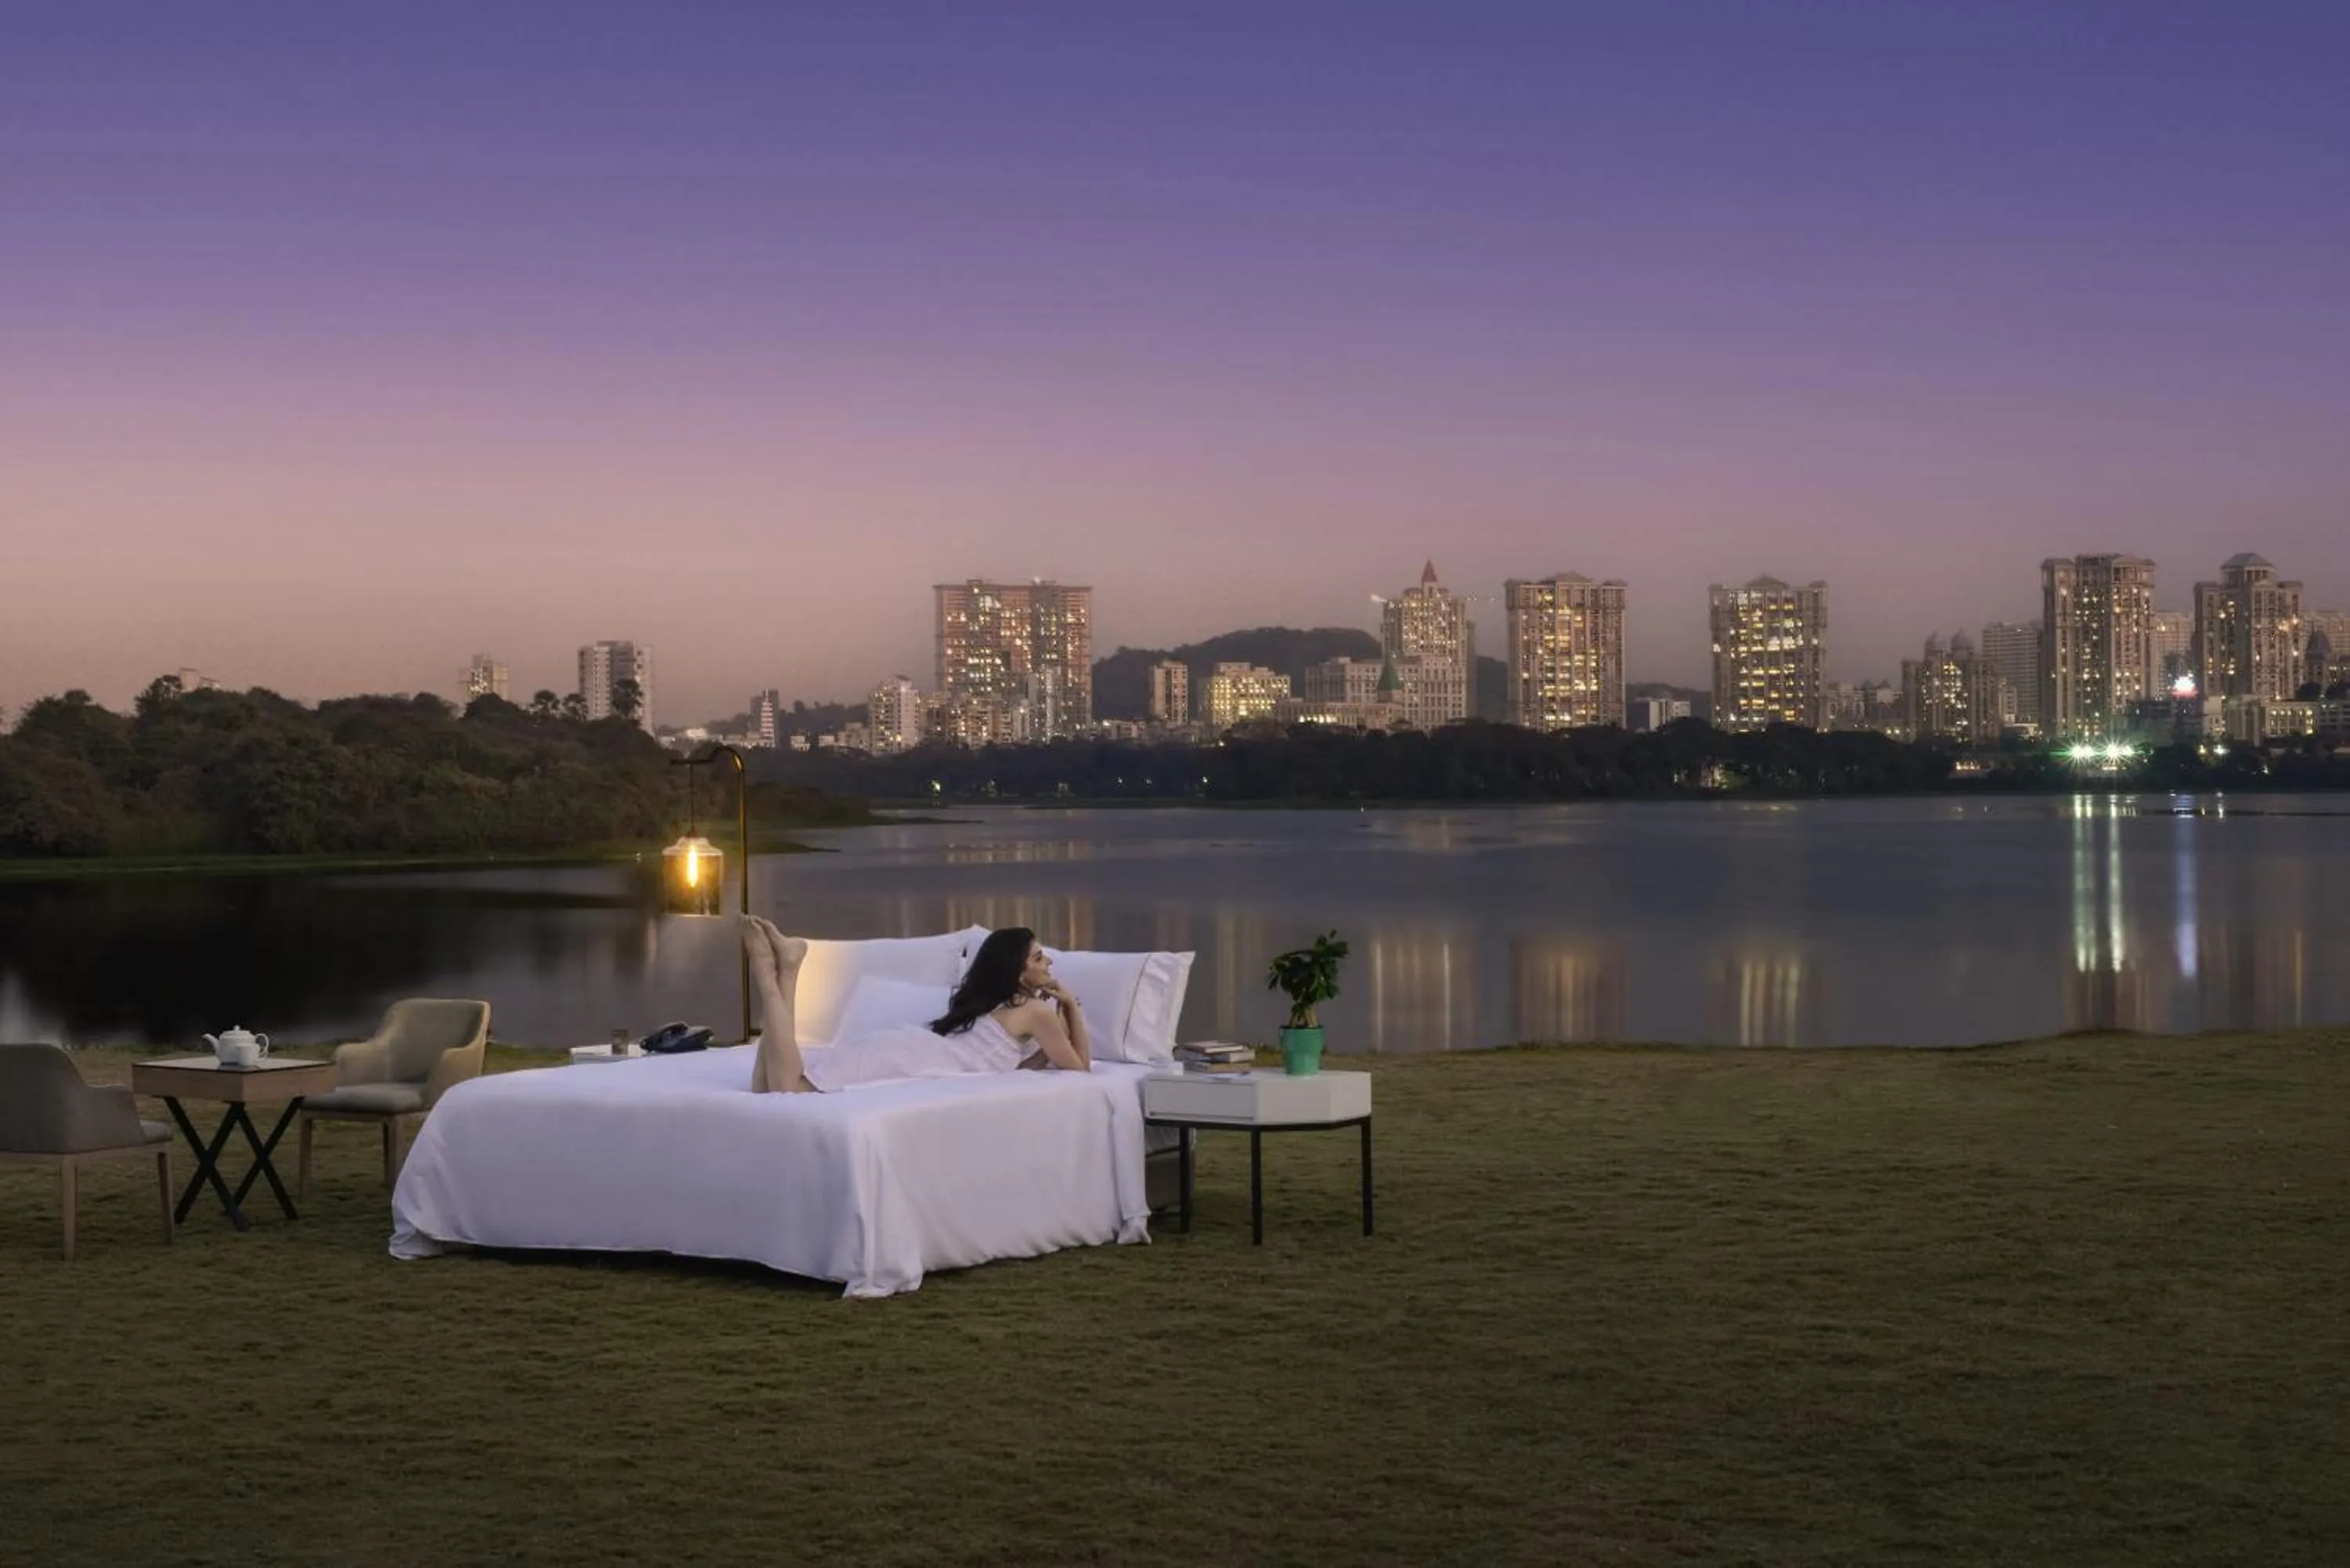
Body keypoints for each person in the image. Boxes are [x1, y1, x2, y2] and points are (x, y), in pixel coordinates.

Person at [742, 916, 1092, 1094]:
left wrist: (1055, 1037)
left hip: (910, 1048)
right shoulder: (1036, 1012)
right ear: (1018, 970)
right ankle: (769, 975)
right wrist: (1073, 1009)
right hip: (912, 1057)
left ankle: (787, 969)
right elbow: (1080, 1070)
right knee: (789, 1089)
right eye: (1038, 957)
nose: (1048, 962)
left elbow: (1013, 1070)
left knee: (766, 1088)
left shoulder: (1006, 1006)